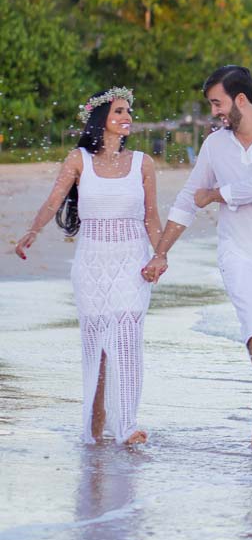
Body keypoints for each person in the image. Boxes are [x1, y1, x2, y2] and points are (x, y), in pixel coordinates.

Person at [141, 65, 252, 450]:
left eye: (217, 103)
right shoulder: (215, 145)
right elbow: (186, 198)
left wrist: (215, 195)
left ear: (241, 100)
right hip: (238, 252)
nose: (213, 111)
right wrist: (161, 252)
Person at [15, 87, 161, 446]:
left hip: (132, 261)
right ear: (101, 119)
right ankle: (95, 429)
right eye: (119, 112)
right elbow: (54, 202)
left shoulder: (144, 163)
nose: (127, 117)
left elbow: (152, 216)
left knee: (126, 337)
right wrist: (32, 232)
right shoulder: (79, 160)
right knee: (97, 346)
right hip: (92, 263)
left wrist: (161, 254)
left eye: (129, 111)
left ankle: (127, 425)